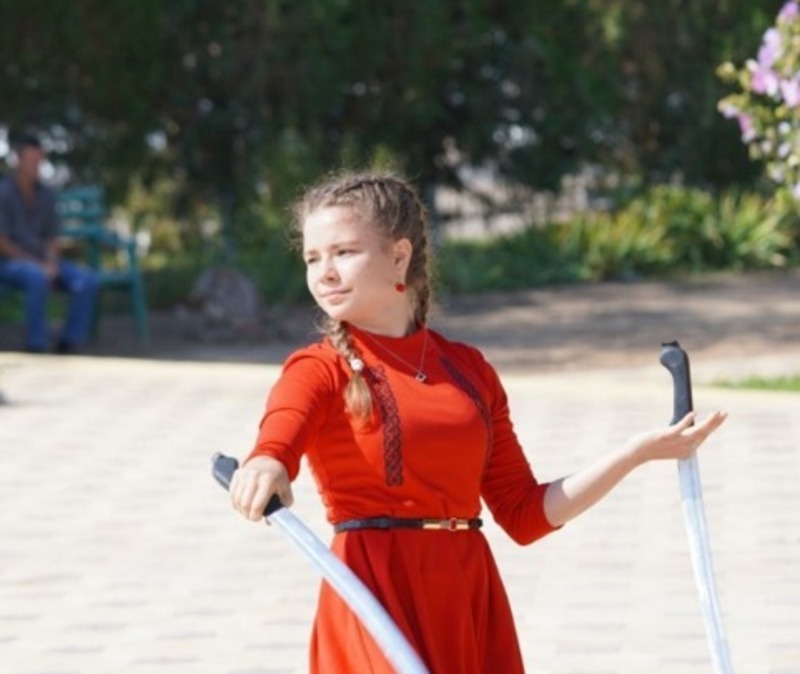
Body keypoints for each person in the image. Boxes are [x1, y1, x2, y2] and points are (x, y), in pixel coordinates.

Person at [229, 171, 727, 673]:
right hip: (374, 599)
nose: (325, 273)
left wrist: (635, 453)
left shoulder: (468, 370)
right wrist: (266, 463)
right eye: (313, 258)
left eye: (343, 252)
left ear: (399, 256)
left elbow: (525, 514)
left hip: (467, 597)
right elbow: (281, 431)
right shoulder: (318, 368)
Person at [0, 133, 99, 353]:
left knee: (86, 281)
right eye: (31, 160)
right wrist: (37, 265)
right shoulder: (3, 193)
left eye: (39, 160)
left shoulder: (46, 194)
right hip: (9, 262)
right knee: (36, 277)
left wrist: (51, 262)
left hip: (43, 260)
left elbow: (53, 237)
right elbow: (2, 242)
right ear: (18, 160)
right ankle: (36, 344)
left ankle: (69, 342)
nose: (36, 165)